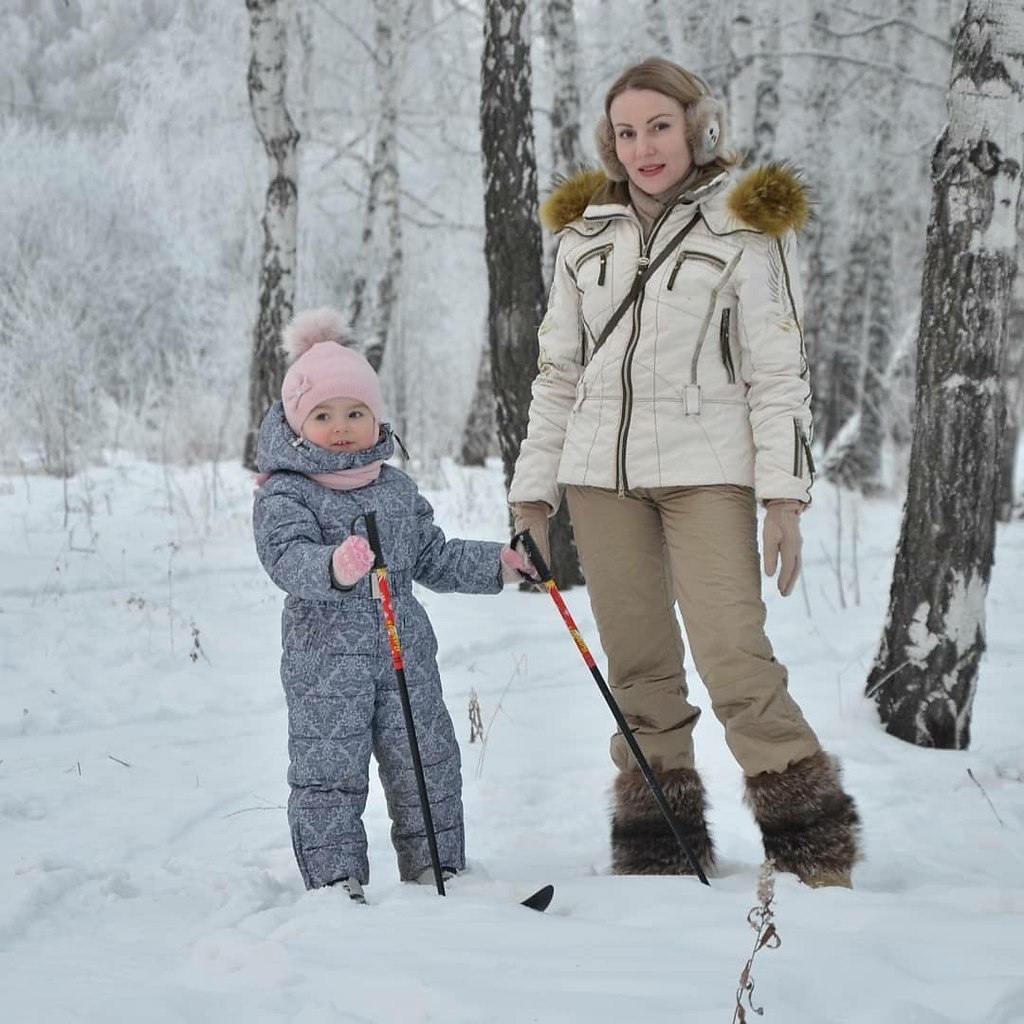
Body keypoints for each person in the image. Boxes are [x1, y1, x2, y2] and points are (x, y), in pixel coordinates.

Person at [508, 58, 861, 888]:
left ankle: (814, 852)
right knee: (638, 672)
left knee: (735, 656)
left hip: (708, 472)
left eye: (658, 126)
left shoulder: (745, 227)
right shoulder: (583, 237)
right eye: (625, 133)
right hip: (600, 479)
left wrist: (784, 496)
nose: (643, 147)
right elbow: (557, 373)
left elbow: (779, 372)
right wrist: (533, 493)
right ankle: (659, 852)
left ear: (697, 124)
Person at [253, 307, 532, 903]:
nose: (342, 427)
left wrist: (496, 564)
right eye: (323, 415)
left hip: (405, 656)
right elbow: (285, 558)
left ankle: (437, 864)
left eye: (355, 412)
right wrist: (333, 566)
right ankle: (336, 878)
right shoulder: (286, 492)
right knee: (330, 775)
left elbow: (432, 556)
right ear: (299, 425)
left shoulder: (394, 488)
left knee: (427, 763)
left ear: (375, 416)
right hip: (326, 667)